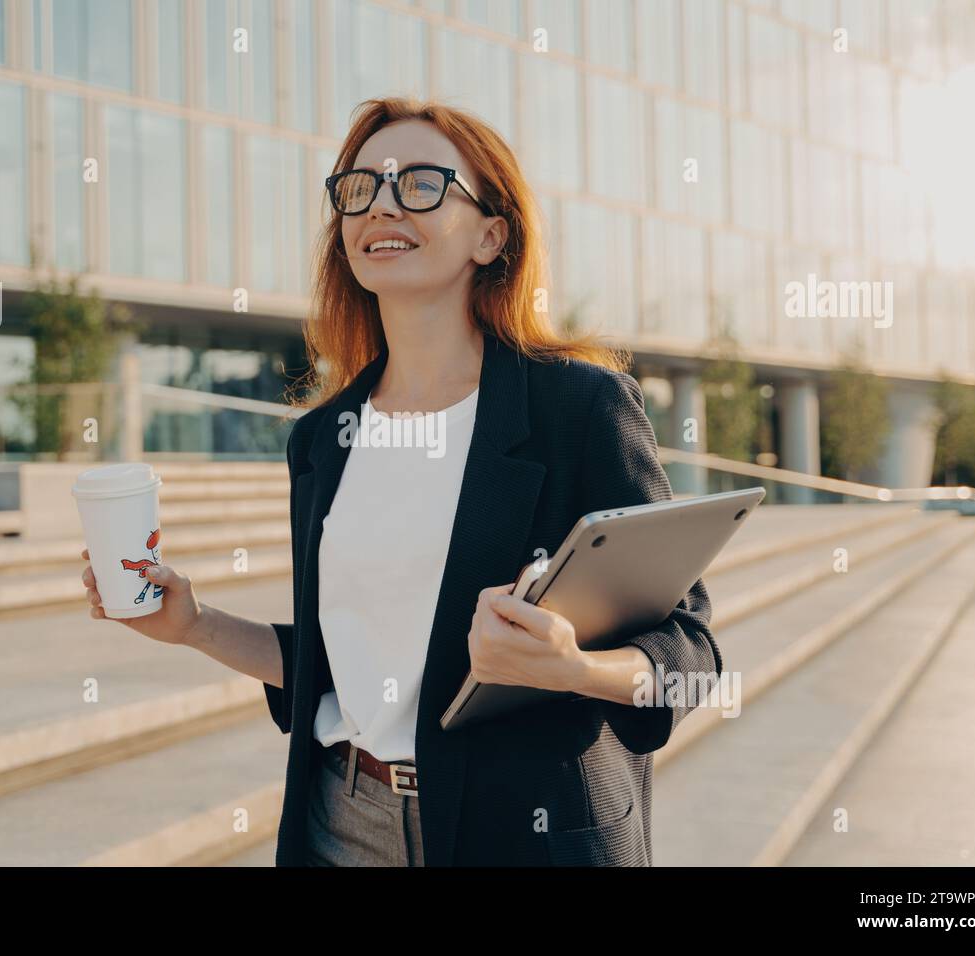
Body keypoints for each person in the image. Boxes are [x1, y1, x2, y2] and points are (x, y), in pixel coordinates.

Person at [81, 97, 721, 867]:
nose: (381, 203)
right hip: (343, 822)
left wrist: (576, 668)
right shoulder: (324, 439)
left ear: (492, 234)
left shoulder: (577, 408)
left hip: (524, 832)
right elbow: (338, 662)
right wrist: (193, 625)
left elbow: (692, 656)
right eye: (360, 187)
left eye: (420, 183)